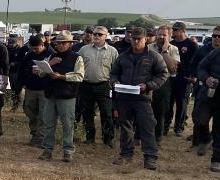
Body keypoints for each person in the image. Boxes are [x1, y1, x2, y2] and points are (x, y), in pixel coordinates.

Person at [110, 27, 168, 170]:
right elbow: (113, 73)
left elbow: (163, 75)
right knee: (125, 126)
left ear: (146, 39)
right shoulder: (123, 56)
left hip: (143, 98)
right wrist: (114, 82)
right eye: (133, 39)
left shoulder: (154, 56)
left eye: (139, 39)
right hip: (124, 97)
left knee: (147, 127)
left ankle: (150, 157)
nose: (136, 41)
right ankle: (125, 154)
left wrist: (148, 86)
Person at [37, 31, 84, 162]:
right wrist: (49, 65)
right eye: (58, 43)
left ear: (69, 44)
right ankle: (47, 150)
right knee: (48, 124)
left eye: (64, 43)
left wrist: (62, 77)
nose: (60, 45)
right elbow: (41, 73)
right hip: (51, 94)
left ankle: (68, 151)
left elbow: (79, 76)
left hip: (67, 95)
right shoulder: (52, 55)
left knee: (67, 124)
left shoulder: (77, 58)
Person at [77, 25, 118, 146]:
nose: (96, 36)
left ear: (106, 36)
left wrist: (113, 82)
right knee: (87, 112)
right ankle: (90, 137)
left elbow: (116, 69)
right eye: (95, 34)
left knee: (106, 113)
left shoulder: (112, 51)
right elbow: (77, 65)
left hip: (104, 86)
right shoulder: (84, 50)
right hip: (86, 85)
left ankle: (108, 138)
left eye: (100, 34)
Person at [190, 26, 220, 152]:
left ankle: (218, 156)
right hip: (206, 90)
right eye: (214, 36)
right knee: (199, 118)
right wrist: (205, 78)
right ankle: (202, 140)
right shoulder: (206, 50)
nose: (216, 38)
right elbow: (198, 66)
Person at [196, 35, 220, 172]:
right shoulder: (218, 52)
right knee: (199, 120)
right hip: (210, 94)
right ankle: (205, 138)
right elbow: (201, 68)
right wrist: (206, 79)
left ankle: (218, 159)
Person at [15, 34, 52, 147]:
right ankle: (35, 133)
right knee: (29, 111)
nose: (35, 51)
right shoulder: (29, 55)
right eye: (33, 48)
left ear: (42, 45)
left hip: (45, 89)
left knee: (43, 114)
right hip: (30, 88)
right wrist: (20, 84)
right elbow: (21, 70)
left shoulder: (51, 54)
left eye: (37, 48)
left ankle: (40, 138)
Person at [149, 25, 180, 143]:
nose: (161, 37)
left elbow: (173, 69)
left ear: (169, 36)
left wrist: (165, 51)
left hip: (163, 83)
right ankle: (140, 135)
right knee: (145, 110)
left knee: (160, 111)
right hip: (148, 81)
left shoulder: (173, 49)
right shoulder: (148, 48)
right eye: (159, 34)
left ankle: (157, 137)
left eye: (164, 35)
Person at [168, 21, 198, 136]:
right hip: (172, 76)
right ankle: (166, 123)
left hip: (185, 77)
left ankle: (179, 126)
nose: (173, 32)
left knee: (182, 103)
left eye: (176, 30)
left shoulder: (191, 45)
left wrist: (193, 76)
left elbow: (196, 62)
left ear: (183, 31)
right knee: (169, 102)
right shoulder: (171, 44)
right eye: (173, 30)